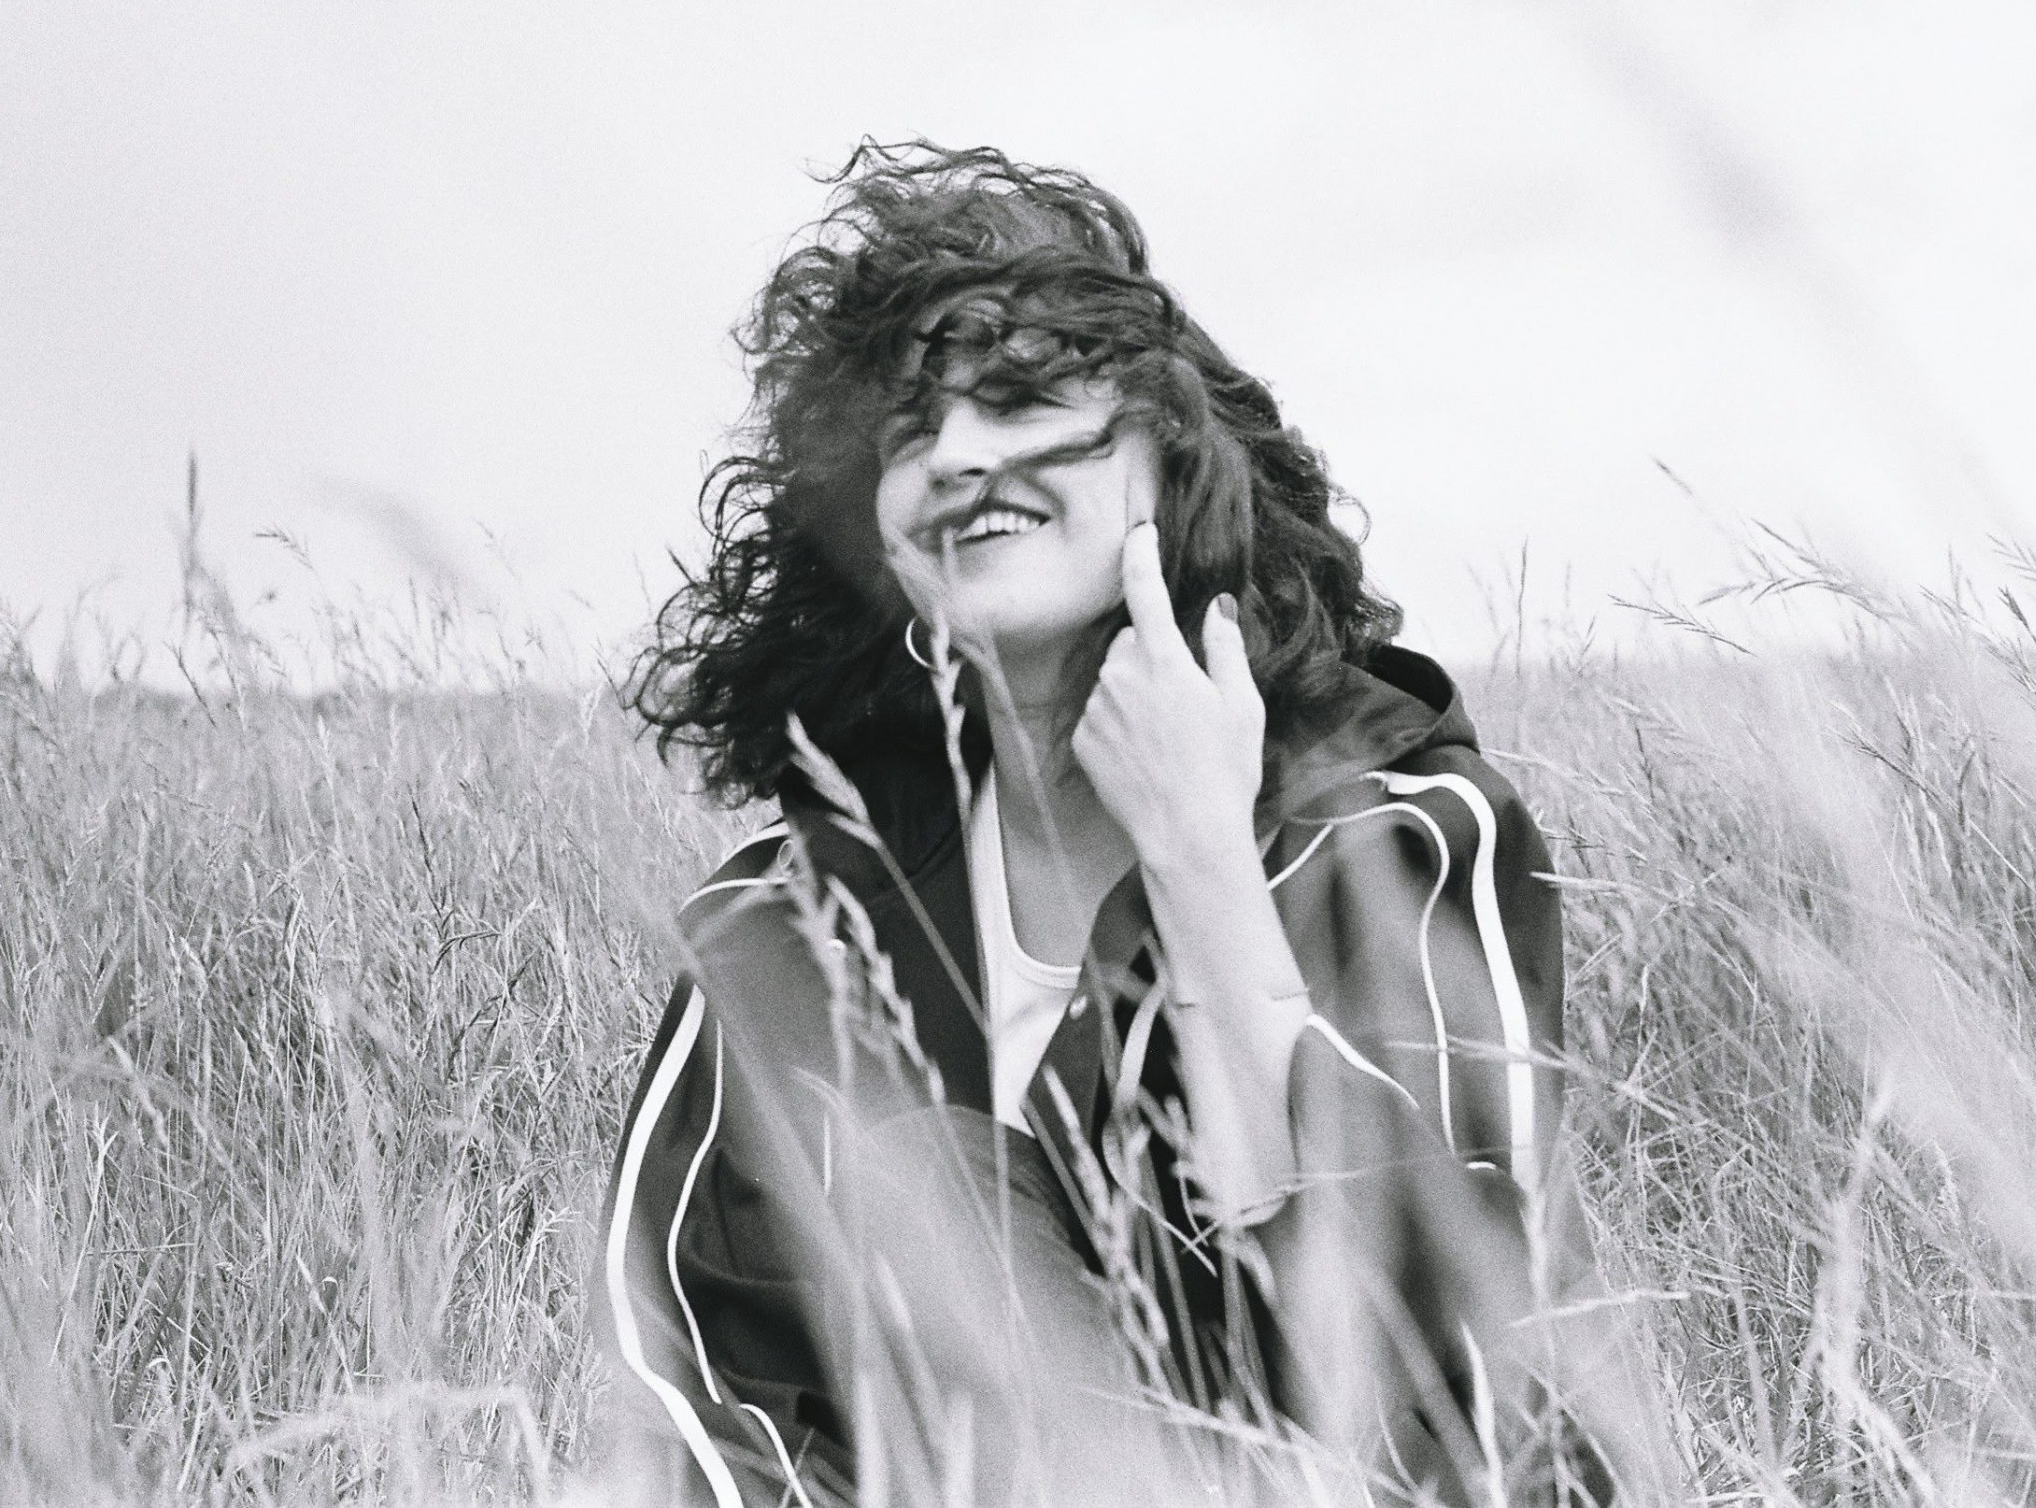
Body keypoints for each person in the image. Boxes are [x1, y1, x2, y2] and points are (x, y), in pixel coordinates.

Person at [602, 143, 1602, 1506]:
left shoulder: (1401, 836)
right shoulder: (787, 927)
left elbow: (1470, 1400)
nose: (957, 457)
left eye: (1018, 401)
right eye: (906, 433)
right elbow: (696, 1406)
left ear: (1174, 460)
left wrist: (1201, 857)